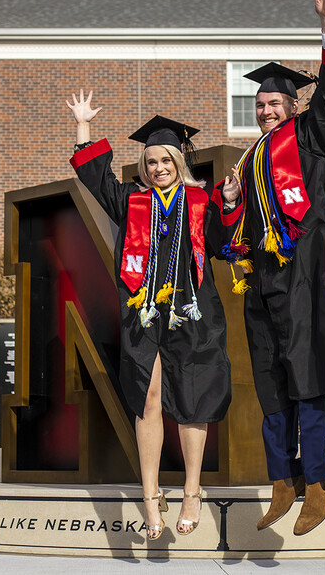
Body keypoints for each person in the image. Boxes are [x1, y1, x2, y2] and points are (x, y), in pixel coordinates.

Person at [213, 0, 325, 536]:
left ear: (291, 103)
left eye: (275, 101)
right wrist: (230, 202)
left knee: (305, 375)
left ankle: (320, 477)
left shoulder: (311, 138)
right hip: (262, 283)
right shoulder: (251, 160)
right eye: (260, 103)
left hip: (301, 276)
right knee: (271, 379)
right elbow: (238, 235)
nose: (267, 110)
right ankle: (285, 479)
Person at [66, 92, 236, 539]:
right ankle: (150, 494)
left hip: (193, 312)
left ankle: (192, 491)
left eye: (165, 160)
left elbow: (221, 243)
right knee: (148, 397)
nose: (158, 168)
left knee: (194, 399)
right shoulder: (131, 201)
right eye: (151, 161)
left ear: (180, 162)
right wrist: (83, 126)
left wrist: (232, 202)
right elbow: (96, 179)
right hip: (144, 313)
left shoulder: (201, 203)